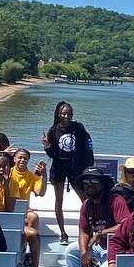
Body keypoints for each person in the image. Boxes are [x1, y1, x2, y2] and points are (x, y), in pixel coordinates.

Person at [59, 167, 129, 267]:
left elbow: (126, 225)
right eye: (86, 181)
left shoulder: (116, 200)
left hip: (117, 248)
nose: (89, 184)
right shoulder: (86, 205)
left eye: (94, 181)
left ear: (102, 184)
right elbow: (83, 230)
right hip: (99, 246)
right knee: (72, 251)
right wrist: (85, 252)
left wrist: (101, 233)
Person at [42, 101, 94, 244]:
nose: (67, 116)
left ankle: (88, 230)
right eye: (64, 113)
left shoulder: (78, 128)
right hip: (59, 169)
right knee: (59, 201)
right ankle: (63, 233)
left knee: (85, 200)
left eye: (70, 114)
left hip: (75, 169)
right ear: (58, 114)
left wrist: (88, 166)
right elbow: (53, 154)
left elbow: (87, 147)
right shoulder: (53, 131)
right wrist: (47, 146)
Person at [9, 148, 47, 267]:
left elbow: (40, 192)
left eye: (25, 158)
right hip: (9, 213)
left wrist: (44, 175)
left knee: (33, 216)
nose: (22, 160)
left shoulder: (30, 176)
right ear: (14, 158)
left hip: (23, 214)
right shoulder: (8, 173)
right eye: (19, 157)